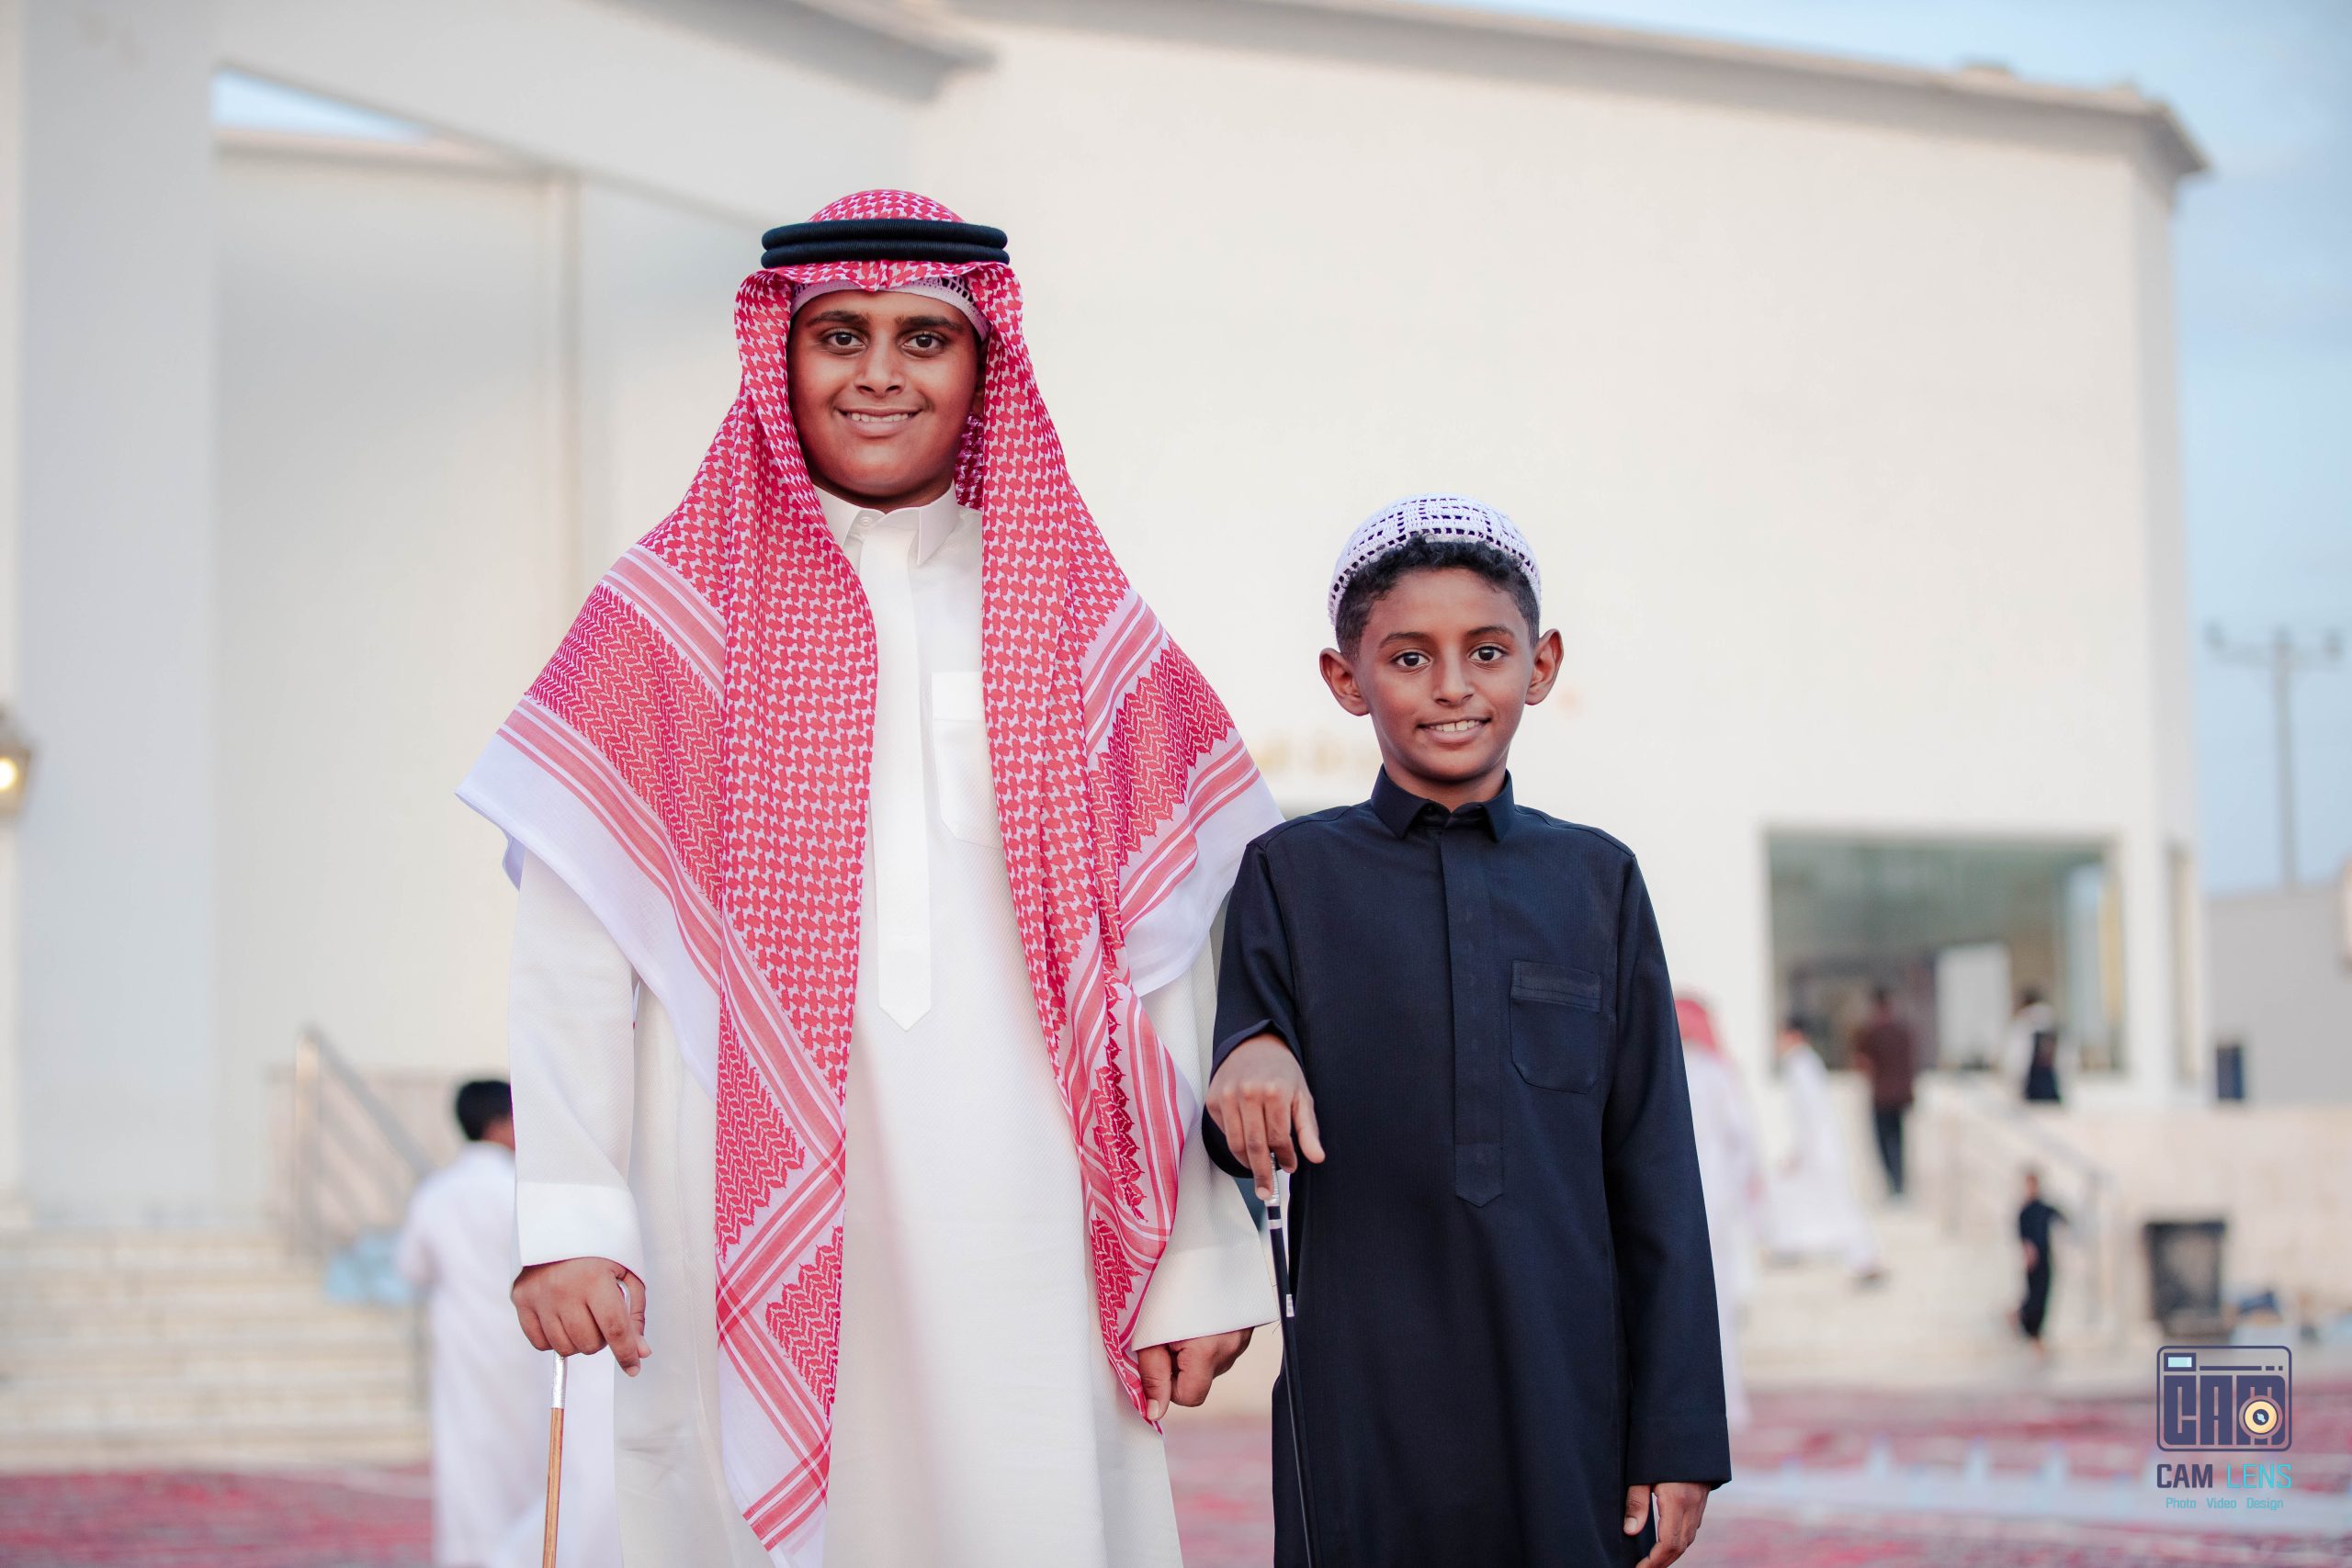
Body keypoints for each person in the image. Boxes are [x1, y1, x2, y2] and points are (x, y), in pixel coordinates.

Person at [458, 192, 1280, 1568]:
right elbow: (573, 947)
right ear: (780, 355)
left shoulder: (1074, 619)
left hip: (1031, 1198)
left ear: (984, 365)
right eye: (839, 334)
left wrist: (1195, 1254)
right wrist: (572, 1216)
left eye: (924, 338)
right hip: (734, 1193)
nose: (880, 373)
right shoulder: (666, 619)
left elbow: (1168, 960)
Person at [1202, 496, 1729, 1568]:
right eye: (1409, 657)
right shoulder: (1289, 876)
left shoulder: (1598, 882)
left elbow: (1656, 1174)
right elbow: (1233, 1117)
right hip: (1359, 1396)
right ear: (1346, 679)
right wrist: (1250, 1054)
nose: (1452, 686)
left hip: (1564, 1390)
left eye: (1486, 652)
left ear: (1540, 665)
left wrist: (1677, 1433)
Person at [392, 1082, 549, 1568]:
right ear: (500, 1125)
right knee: (530, 1461)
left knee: (468, 1463)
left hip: (463, 1346)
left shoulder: (436, 1192)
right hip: (526, 1344)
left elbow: (411, 1269)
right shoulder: (522, 1189)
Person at [1677, 994, 1760, 1432]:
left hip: (1691, 1205)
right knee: (1710, 1305)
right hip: (1709, 1204)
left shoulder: (1698, 1071)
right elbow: (1744, 1142)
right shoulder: (1712, 1073)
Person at [1761, 1020, 1883, 1283]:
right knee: (1796, 1194)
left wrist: (1803, 1151)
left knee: (1838, 1203)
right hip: (1815, 1148)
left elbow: (1812, 1115)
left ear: (1794, 1036)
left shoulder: (1801, 1065)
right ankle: (1788, 1244)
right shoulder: (1801, 1065)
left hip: (1818, 1150)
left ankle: (1865, 1259)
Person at [1849, 986, 1917, 1198]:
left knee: (1884, 1142)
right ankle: (1898, 1183)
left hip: (1882, 1096)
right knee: (1898, 1141)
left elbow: (1863, 1062)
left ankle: (1894, 1184)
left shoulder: (1873, 1032)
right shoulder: (1901, 1031)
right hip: (1900, 1096)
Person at [2016, 1168, 2067, 1359]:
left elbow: (2062, 1218)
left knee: (2043, 1297)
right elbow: (2023, 1236)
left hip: (2046, 1258)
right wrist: (2028, 1253)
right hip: (2034, 1260)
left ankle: (2036, 1337)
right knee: (2034, 1297)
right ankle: (2020, 1316)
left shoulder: (2044, 1208)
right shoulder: (2025, 1211)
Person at [2003, 987, 2064, 1103]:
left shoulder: (2024, 1024)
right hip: (2053, 1087)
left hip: (2031, 1087)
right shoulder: (2053, 1023)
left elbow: (2017, 1058)